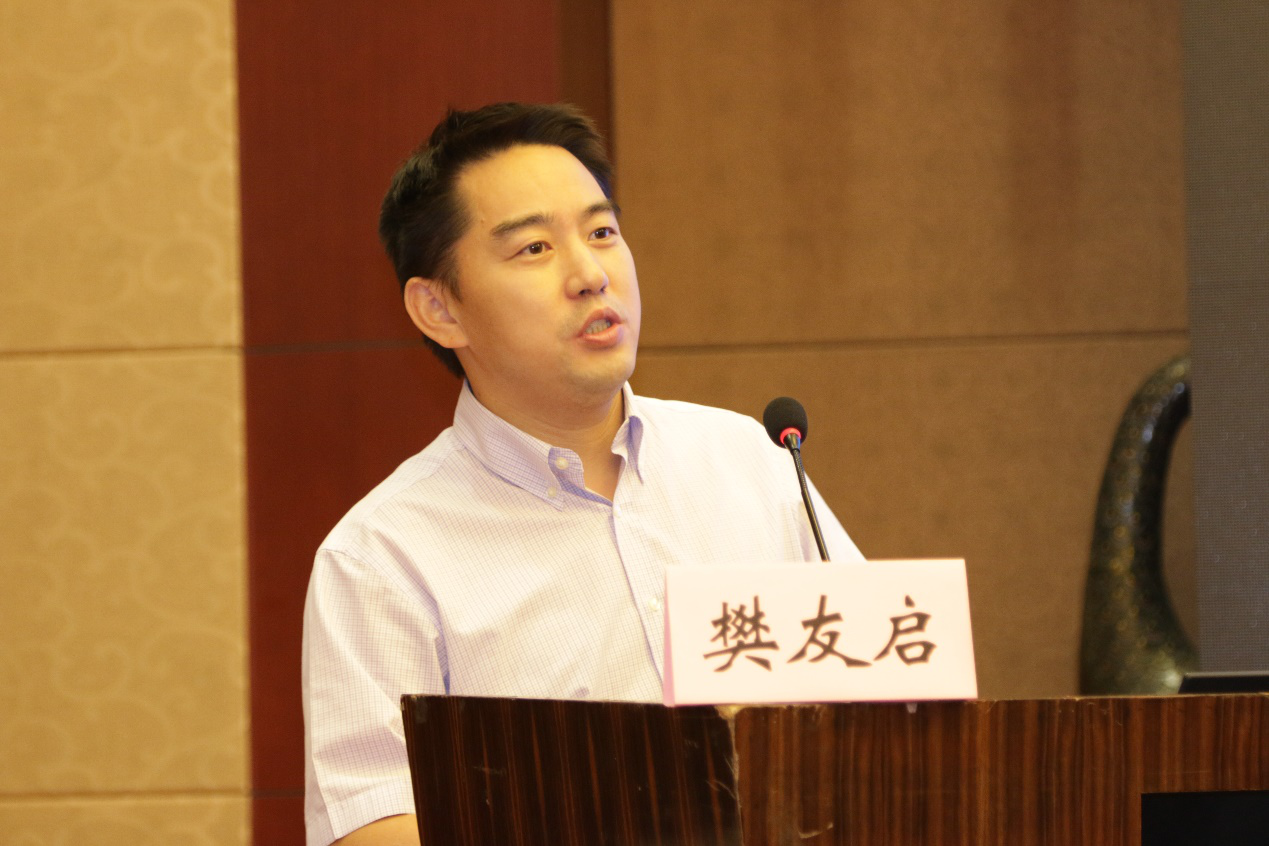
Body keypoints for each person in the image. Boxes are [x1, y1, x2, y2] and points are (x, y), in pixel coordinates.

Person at [301, 102, 864, 846]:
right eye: (534, 248)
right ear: (439, 309)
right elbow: (371, 825)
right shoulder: (383, 558)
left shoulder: (750, 461)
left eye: (602, 233)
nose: (592, 275)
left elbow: (885, 704)